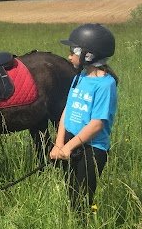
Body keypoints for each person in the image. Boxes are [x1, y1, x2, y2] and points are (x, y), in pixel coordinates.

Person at [50, 23, 118, 215]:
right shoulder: (79, 77)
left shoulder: (106, 85)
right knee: (71, 192)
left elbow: (97, 124)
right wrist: (58, 143)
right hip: (70, 142)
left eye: (73, 52)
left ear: (88, 55)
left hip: (91, 149)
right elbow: (67, 111)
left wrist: (68, 147)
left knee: (81, 200)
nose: (69, 56)